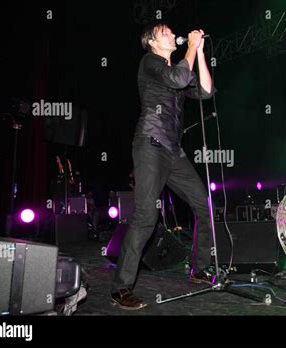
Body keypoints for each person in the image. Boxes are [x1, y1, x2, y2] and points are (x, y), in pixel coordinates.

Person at [110, 22, 215, 310]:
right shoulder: (150, 63)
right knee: (146, 216)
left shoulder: (178, 67)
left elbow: (205, 91)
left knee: (202, 204)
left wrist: (200, 51)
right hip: (150, 145)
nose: (172, 35)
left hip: (173, 151)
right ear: (153, 42)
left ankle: (200, 269)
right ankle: (120, 288)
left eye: (171, 31)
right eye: (166, 33)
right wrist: (191, 48)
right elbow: (180, 78)